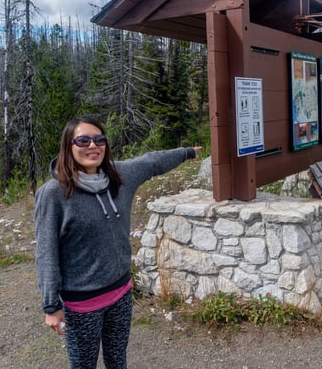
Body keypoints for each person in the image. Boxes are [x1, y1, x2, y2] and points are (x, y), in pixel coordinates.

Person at [34, 116, 200, 368]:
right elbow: (46, 251)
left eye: (99, 139)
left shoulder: (119, 175)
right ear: (69, 146)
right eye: (83, 140)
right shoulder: (54, 193)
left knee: (117, 360)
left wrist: (187, 152)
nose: (93, 145)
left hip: (121, 292)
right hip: (82, 303)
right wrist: (50, 306)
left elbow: (152, 162)